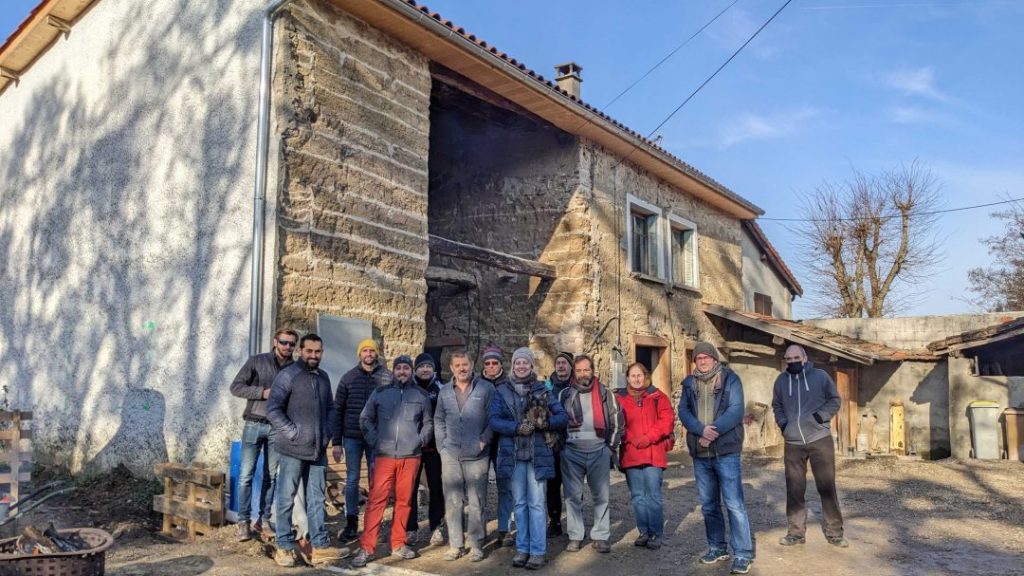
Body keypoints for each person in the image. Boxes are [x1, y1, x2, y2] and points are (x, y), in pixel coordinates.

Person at [265, 333, 349, 567]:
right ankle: (283, 546)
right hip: (292, 450)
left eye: (318, 351)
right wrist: (293, 433)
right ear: (301, 351)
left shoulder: (323, 378)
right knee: (285, 499)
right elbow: (273, 409)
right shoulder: (288, 375)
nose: (314, 355)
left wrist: (328, 433)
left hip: (317, 451)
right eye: (309, 351)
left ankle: (320, 546)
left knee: (316, 498)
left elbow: (331, 408)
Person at [678, 342, 755, 575]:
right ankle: (717, 547)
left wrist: (712, 432)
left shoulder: (730, 379)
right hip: (701, 453)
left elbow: (736, 410)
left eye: (705, 357)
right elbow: (683, 412)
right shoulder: (689, 383)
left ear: (714, 359)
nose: (701, 361)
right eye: (697, 358)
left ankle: (742, 553)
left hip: (726, 452)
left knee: (734, 504)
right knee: (710, 505)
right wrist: (700, 431)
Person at [350, 356, 434, 568]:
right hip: (384, 456)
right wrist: (375, 440)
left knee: (404, 501)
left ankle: (398, 543)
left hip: (410, 456)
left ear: (411, 371)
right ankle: (367, 547)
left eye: (406, 368)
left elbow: (428, 423)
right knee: (376, 501)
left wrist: (419, 441)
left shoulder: (421, 395)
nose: (402, 372)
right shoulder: (380, 393)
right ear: (394, 371)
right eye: (399, 368)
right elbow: (365, 418)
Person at [489, 347, 568, 570]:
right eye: (517, 363)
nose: (521, 366)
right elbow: (493, 420)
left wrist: (546, 424)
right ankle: (522, 548)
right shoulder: (502, 391)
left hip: (537, 455)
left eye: (525, 363)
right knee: (520, 504)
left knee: (536, 503)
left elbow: (562, 416)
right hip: (513, 455)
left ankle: (538, 550)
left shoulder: (543, 390)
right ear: (512, 366)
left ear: (531, 366)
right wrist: (515, 427)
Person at [772, 344, 847, 548]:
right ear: (785, 360)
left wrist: (819, 417)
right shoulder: (781, 381)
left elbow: (834, 400)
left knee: (826, 487)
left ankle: (835, 533)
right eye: (789, 359)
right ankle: (795, 533)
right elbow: (776, 405)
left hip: (819, 439)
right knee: (794, 490)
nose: (793, 361)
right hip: (793, 443)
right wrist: (784, 424)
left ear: (804, 357)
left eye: (797, 357)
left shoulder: (820, 376)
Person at [229, 328, 296, 541]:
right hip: (254, 424)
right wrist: (262, 392)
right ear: (275, 342)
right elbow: (236, 387)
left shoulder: (295, 369)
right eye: (284, 342)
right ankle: (243, 521)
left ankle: (264, 519)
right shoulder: (257, 361)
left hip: (278, 427)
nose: (288, 347)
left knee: (272, 476)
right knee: (246, 475)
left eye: (292, 344)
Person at [558, 354, 623, 554]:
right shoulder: (565, 395)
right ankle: (575, 535)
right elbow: (557, 422)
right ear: (574, 372)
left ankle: (601, 536)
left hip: (598, 451)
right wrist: (563, 447)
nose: (583, 374)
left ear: (593, 371)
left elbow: (617, 421)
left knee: (601, 496)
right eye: (579, 370)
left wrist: (609, 447)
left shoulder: (605, 394)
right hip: (572, 453)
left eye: (586, 370)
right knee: (572, 496)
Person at [434, 349, 495, 562]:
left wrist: (483, 440)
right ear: (451, 368)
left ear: (472, 365)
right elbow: (439, 420)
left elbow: (493, 419)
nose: (462, 368)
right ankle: (456, 544)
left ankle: (476, 543)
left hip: (478, 455)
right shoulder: (444, 392)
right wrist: (442, 447)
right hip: (451, 454)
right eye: (457, 365)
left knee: (477, 501)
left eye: (465, 364)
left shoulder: (486, 389)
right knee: (452, 501)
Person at [333, 338, 392, 542]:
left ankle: (373, 524)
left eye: (372, 351)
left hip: (377, 438)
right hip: (352, 437)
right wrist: (336, 442)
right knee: (352, 480)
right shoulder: (348, 378)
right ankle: (351, 523)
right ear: (360, 354)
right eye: (365, 350)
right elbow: (338, 410)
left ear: (377, 354)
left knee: (377, 481)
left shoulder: (387, 377)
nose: (369, 354)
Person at [616, 362, 674, 550]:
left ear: (646, 376)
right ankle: (644, 531)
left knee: (653, 496)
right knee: (638, 496)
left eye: (639, 375)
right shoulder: (620, 398)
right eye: (632, 376)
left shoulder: (658, 397)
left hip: (652, 453)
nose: (636, 379)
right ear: (627, 378)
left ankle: (656, 533)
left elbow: (666, 421)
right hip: (631, 453)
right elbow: (616, 422)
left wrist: (648, 438)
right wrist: (631, 439)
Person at [406, 353, 445, 546]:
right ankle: (410, 528)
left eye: (428, 366)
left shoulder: (441, 389)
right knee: (410, 489)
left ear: (433, 369)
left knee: (436, 489)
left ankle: (436, 526)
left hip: (434, 449)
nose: (425, 369)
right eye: (421, 366)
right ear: (416, 369)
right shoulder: (408, 388)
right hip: (411, 448)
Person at [478, 343, 515, 547]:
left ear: (501, 364)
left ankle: (504, 528)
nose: (491, 366)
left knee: (504, 486)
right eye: (488, 363)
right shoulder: (476, 383)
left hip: (503, 441)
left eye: (495, 363)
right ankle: (480, 529)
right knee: (479, 487)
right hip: (482, 442)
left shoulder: (509, 384)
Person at [543, 351, 573, 537]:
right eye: (558, 362)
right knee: (552, 485)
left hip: (571, 442)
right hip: (552, 442)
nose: (561, 366)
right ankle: (554, 521)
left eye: (564, 363)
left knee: (572, 485)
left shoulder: (577, 387)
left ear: (570, 366)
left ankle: (574, 523)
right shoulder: (546, 387)